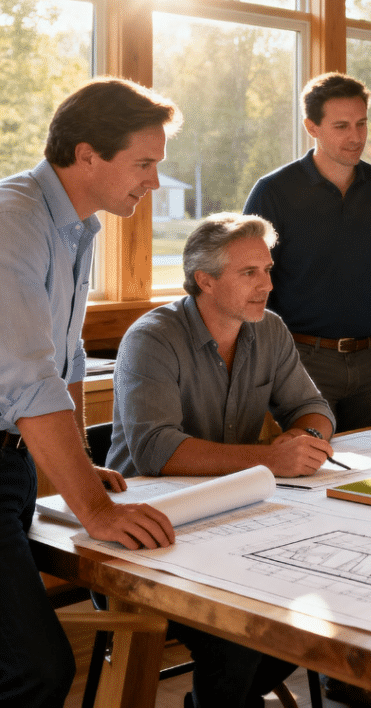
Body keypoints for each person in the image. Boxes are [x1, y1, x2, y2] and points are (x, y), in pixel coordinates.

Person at [108, 212, 337, 708]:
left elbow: (313, 408)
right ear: (204, 281)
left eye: (268, 270)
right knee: (238, 634)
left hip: (234, 522)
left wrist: (306, 440)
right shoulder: (152, 338)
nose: (267, 285)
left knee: (315, 616)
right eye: (249, 273)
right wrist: (271, 460)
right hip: (147, 534)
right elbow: (156, 449)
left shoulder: (269, 330)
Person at [0, 77, 179, 707]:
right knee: (35, 669)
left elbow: (68, 359)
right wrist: (94, 512)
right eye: (144, 164)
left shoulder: (78, 227)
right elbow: (27, 376)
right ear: (87, 156)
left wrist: (80, 466)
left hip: (14, 462)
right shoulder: (13, 218)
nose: (154, 182)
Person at [244, 71, 371, 708]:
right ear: (311, 127)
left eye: (362, 123)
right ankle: (281, 655)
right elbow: (250, 280)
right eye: (340, 125)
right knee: (301, 512)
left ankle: (355, 672)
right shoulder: (275, 191)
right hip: (295, 369)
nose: (354, 137)